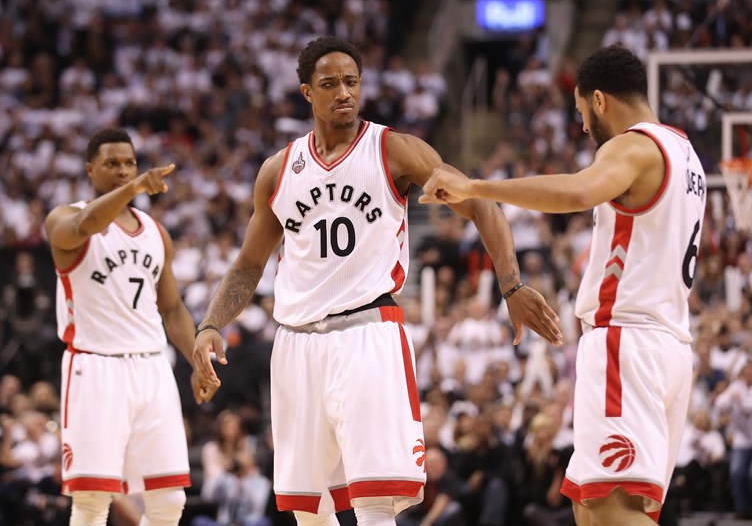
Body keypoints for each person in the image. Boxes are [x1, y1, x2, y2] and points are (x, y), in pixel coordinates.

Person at [192, 36, 562, 526]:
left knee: (374, 506)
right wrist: (211, 322)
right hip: (296, 344)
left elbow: (480, 203)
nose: (343, 92)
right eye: (329, 84)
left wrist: (511, 285)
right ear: (307, 93)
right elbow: (247, 263)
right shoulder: (278, 171)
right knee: (309, 511)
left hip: (366, 333)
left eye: (351, 81)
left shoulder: (394, 149)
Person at [420, 45, 707, 525]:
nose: (581, 127)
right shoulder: (686, 153)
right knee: (590, 506)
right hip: (664, 346)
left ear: (599, 101)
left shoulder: (633, 145)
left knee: (614, 511)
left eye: (579, 113)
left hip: (627, 343)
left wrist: (476, 187)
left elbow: (577, 191)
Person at [44, 128, 218, 526]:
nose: (123, 171)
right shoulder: (65, 217)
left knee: (170, 499)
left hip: (153, 367)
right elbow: (87, 222)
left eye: (130, 164)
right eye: (112, 164)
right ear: (91, 169)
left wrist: (196, 361)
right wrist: (133, 188)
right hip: (96, 367)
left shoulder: (156, 233)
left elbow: (172, 310)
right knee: (91, 499)